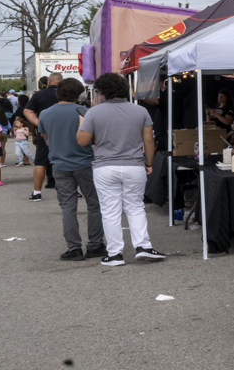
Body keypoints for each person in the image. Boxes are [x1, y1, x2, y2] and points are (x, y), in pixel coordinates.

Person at [77, 73, 164, 266]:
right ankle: (143, 246)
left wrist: (82, 122)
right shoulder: (140, 111)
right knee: (135, 207)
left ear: (101, 92)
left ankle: (115, 254)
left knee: (110, 210)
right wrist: (149, 163)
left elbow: (82, 141)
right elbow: (149, 141)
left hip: (105, 166)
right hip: (134, 165)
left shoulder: (93, 112)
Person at [39, 77, 105, 261]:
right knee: (94, 204)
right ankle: (95, 244)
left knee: (68, 207)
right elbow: (94, 138)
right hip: (85, 163)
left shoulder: (45, 113)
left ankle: (73, 247)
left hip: (60, 164)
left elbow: (45, 138)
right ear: (78, 94)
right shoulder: (85, 112)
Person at [24, 73, 60, 201]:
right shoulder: (67, 94)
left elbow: (27, 111)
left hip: (44, 131)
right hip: (65, 131)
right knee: (67, 160)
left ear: (49, 81)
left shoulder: (39, 95)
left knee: (41, 162)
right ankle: (73, 190)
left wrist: (40, 123)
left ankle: (37, 192)